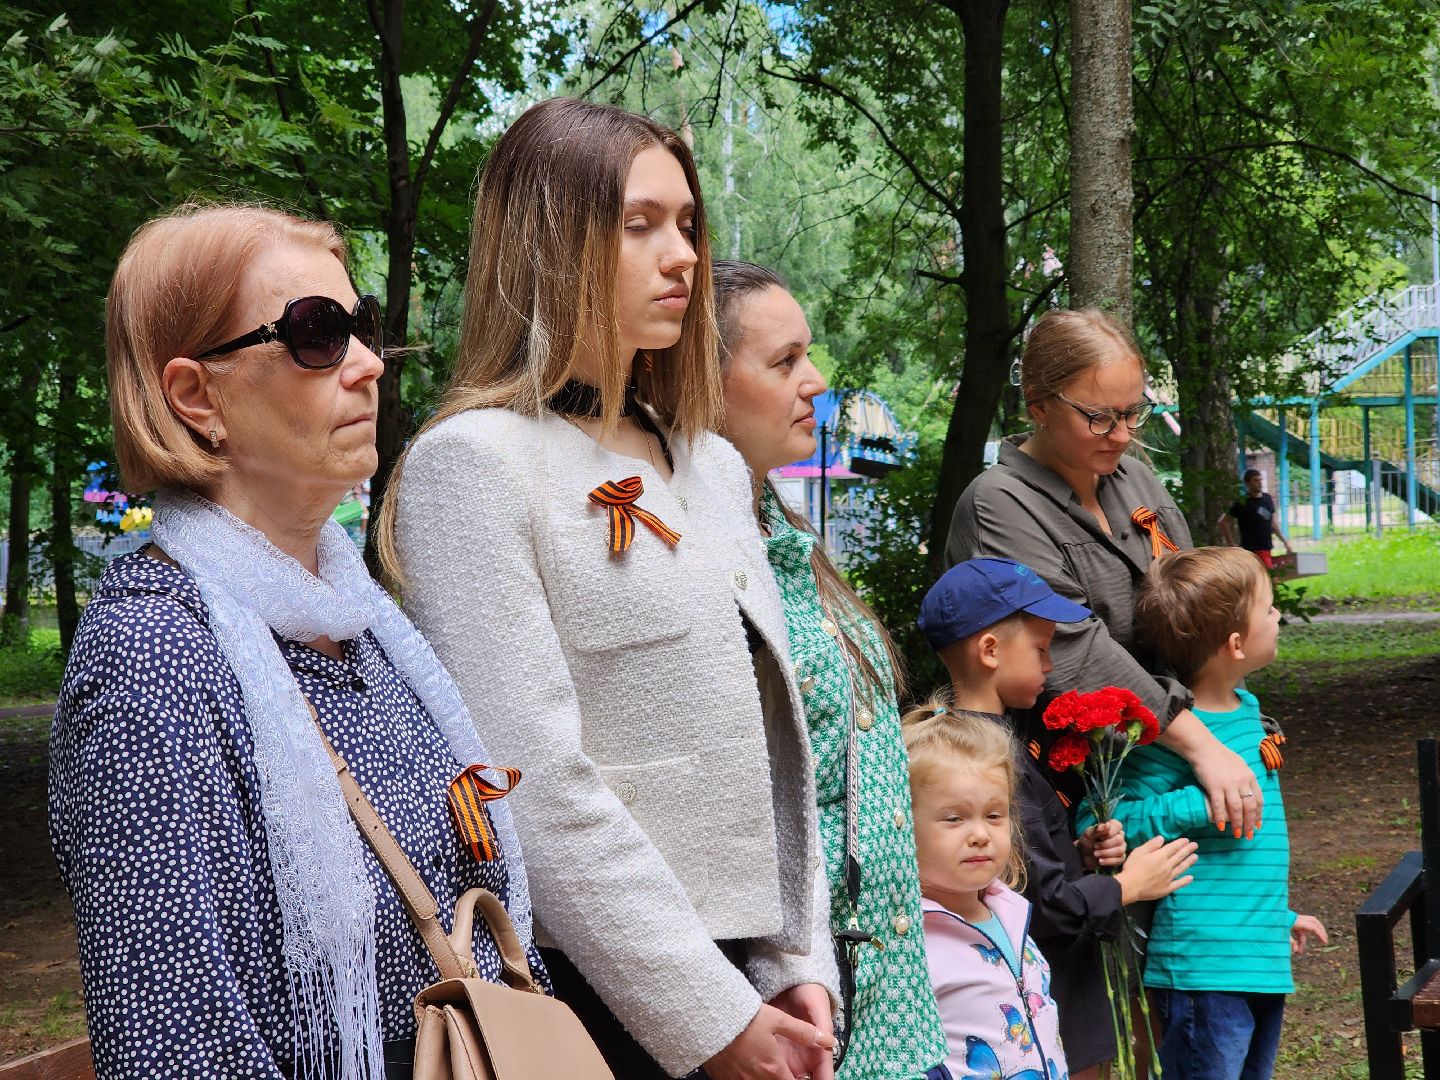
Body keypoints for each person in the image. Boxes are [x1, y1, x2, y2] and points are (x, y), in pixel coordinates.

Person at [379, 100, 839, 1080]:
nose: (681, 255)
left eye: (688, 224)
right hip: (587, 996)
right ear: (550, 240)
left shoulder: (711, 466)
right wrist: (706, 1018)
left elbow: (771, 748)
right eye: (639, 225)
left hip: (749, 980)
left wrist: (796, 960)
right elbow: (531, 786)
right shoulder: (473, 465)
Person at [49, 203, 539, 1080]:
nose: (364, 366)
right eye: (315, 334)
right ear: (195, 396)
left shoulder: (365, 624)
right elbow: (173, 1045)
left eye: (361, 326)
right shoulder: (151, 652)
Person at [712, 260, 948, 1080]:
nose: (815, 381)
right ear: (702, 385)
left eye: (808, 355)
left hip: (886, 994)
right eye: (783, 363)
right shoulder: (698, 555)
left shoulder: (775, 526)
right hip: (799, 999)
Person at [946, 308, 1264, 842]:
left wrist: (1232, 720)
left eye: (1132, 412)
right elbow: (1072, 651)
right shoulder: (998, 503)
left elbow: (1198, 611)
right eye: (1099, 417)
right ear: (1039, 406)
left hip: (1178, 759)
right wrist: (1203, 745)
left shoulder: (1136, 480)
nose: (1120, 434)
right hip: (1077, 793)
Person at [911, 556, 1198, 1078]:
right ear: (990, 651)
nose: (1049, 665)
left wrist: (1079, 850)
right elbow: (1040, 902)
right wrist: (1128, 887)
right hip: (1040, 993)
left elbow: (1027, 864)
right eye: (1041, 650)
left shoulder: (980, 746)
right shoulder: (982, 764)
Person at [1081, 546, 1327, 1080]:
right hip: (1199, 968)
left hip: (1258, 959)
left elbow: (1240, 856)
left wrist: (1277, 920)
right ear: (1236, 644)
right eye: (1268, 608)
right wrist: (1199, 803)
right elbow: (1101, 823)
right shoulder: (1168, 735)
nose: (1278, 616)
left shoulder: (1251, 712)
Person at [904, 707, 1069, 1080]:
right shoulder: (906, 942)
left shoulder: (1012, 915)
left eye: (994, 815)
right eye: (955, 818)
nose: (980, 833)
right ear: (903, 824)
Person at [1219, 468, 1292, 568]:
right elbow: (1223, 522)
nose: (1259, 483)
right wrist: (1231, 543)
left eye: (1260, 480)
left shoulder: (1267, 499)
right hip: (1250, 551)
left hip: (1266, 548)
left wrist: (1285, 542)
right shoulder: (1242, 502)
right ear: (1247, 483)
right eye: (1256, 480)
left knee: (1268, 579)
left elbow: (1273, 524)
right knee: (1267, 580)